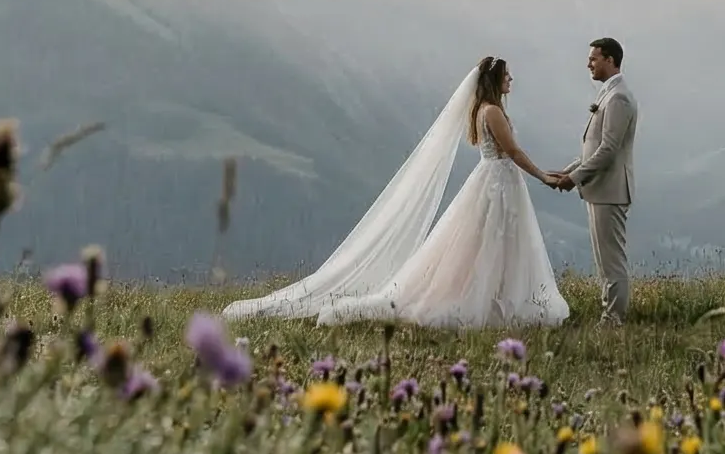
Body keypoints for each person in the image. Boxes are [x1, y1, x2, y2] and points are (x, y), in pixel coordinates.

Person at [222, 55, 570, 329]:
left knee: (493, 243)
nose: (511, 80)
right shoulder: (492, 111)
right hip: (498, 182)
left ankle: (497, 296)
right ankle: (492, 300)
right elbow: (513, 151)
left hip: (495, 181)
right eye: (507, 75)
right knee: (495, 241)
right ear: (496, 79)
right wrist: (542, 176)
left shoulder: (485, 110)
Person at [544, 36, 637, 325]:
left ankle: (613, 321)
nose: (589, 64)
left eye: (594, 58)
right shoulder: (609, 93)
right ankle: (609, 315)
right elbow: (595, 146)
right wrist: (569, 169)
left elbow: (608, 150)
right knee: (605, 261)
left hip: (609, 190)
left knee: (612, 262)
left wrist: (574, 178)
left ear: (610, 60)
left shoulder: (619, 97)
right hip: (599, 190)